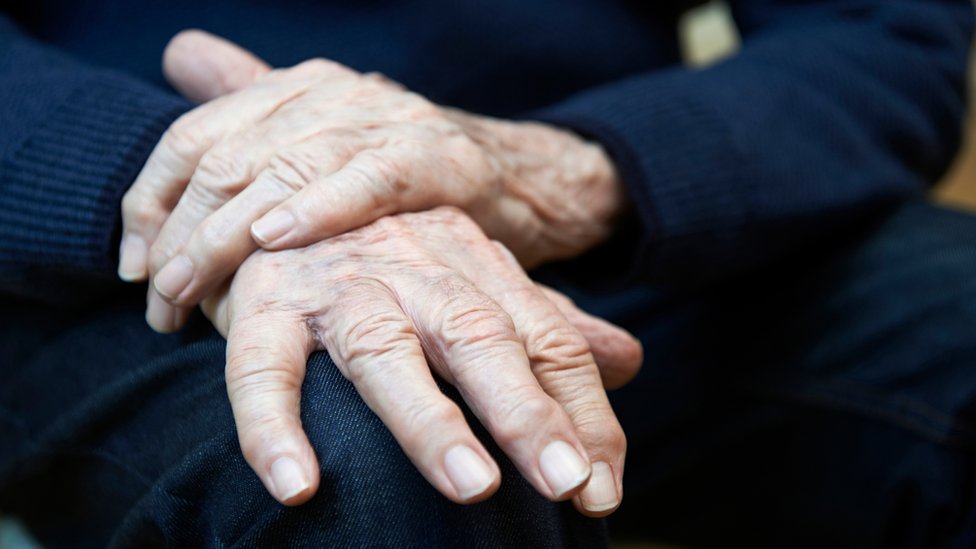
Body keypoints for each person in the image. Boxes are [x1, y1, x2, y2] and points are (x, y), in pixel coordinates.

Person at [1, 0, 974, 547]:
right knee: (370, 452)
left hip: (606, 226)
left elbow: (878, 35)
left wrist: (545, 173)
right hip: (106, 263)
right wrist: (224, 185)